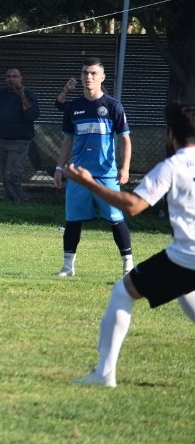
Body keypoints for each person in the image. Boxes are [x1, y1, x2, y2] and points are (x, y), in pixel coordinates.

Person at [64, 102, 195, 388]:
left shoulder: (172, 166)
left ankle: (104, 374)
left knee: (123, 291)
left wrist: (91, 184)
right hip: (185, 261)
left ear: (170, 134)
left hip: (186, 257)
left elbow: (134, 206)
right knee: (186, 292)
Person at [53, 57, 132, 277]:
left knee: (116, 220)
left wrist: (124, 168)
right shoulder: (73, 107)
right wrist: (60, 168)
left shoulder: (113, 106)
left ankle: (128, 267)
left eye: (93, 73)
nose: (89, 77)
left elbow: (125, 139)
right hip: (78, 175)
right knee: (73, 220)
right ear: (81, 76)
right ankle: (68, 267)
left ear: (102, 77)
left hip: (106, 175)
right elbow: (67, 141)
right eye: (85, 73)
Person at [0, 67, 40, 202]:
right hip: (2, 139)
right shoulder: (0, 95)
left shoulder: (28, 94)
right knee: (6, 174)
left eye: (14, 76)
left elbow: (32, 115)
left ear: (20, 78)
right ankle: (12, 201)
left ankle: (18, 201)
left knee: (11, 174)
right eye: (8, 76)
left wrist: (21, 95)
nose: (11, 79)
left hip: (20, 141)